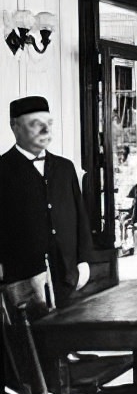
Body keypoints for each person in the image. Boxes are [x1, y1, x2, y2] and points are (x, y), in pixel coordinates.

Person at [0, 96, 93, 308]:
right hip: (22, 280)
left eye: (47, 124)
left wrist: (84, 260)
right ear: (14, 127)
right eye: (35, 124)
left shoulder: (64, 168)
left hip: (67, 276)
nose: (44, 131)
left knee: (69, 336)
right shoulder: (3, 170)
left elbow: (80, 216)